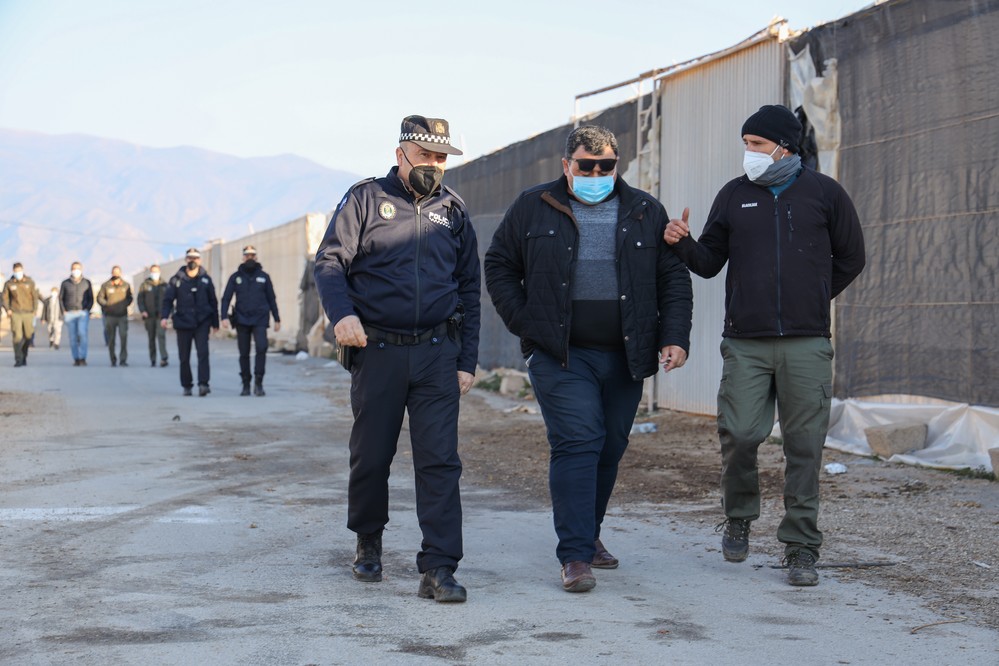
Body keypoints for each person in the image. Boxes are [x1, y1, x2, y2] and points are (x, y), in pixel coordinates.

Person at [485, 125, 693, 593]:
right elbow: (499, 264)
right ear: (567, 165)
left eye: (606, 167)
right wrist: (527, 322)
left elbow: (673, 279)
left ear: (617, 165)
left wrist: (674, 336)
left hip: (626, 352)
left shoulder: (645, 210)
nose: (596, 174)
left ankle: (589, 533)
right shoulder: (533, 205)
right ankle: (575, 555)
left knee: (609, 445)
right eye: (586, 166)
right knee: (578, 440)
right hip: (560, 352)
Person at [664, 104, 866, 586]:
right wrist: (682, 242)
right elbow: (709, 262)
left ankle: (801, 546)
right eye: (746, 144)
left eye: (755, 144)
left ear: (784, 146)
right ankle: (739, 515)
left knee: (804, 446)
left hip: (806, 343)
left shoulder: (825, 193)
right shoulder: (734, 195)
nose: (748, 152)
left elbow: (852, 257)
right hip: (746, 342)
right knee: (739, 433)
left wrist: (812, 297)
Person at [314, 115, 480, 603]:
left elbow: (470, 288)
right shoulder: (365, 199)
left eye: (441, 158)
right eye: (425, 155)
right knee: (371, 456)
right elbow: (329, 262)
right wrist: (342, 315)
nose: (434, 165)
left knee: (440, 461)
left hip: (437, 353)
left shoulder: (453, 211)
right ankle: (368, 540)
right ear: (401, 153)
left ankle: (439, 567)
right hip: (377, 350)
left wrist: (466, 359)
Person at [220, 245, 281, 396]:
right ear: (243, 257)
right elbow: (226, 297)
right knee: (244, 352)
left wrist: (277, 318)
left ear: (256, 257)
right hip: (242, 319)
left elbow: (271, 299)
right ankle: (246, 383)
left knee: (261, 348)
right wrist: (224, 316)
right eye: (247, 255)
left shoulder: (264, 277)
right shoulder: (235, 277)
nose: (250, 258)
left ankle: (258, 382)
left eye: (252, 255)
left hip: (260, 319)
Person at [161, 248, 219, 396]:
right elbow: (168, 300)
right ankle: (187, 385)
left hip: (202, 322)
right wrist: (164, 317)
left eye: (196, 258)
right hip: (183, 322)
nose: (193, 261)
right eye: (190, 258)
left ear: (200, 260)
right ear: (186, 260)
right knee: (184, 357)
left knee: (203, 354)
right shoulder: (176, 280)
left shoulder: (206, 279)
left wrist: (215, 323)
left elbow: (213, 301)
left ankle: (203, 384)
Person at [1, 263, 39, 367]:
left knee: (28, 336)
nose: (18, 273)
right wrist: (8, 309)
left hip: (28, 312)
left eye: (19, 270)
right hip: (15, 313)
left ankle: (24, 355)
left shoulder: (29, 282)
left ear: (22, 270)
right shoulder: (9, 283)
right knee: (17, 336)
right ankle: (18, 359)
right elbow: (4, 298)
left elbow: (35, 296)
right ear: (13, 271)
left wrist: (35, 309)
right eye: (16, 271)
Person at [96, 265, 134, 367]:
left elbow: (130, 297)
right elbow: (99, 298)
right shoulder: (106, 285)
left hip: (122, 316)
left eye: (118, 272)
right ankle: (113, 359)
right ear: (112, 273)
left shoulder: (126, 285)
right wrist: (106, 305)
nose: (116, 274)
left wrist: (125, 304)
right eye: (114, 272)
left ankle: (123, 359)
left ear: (120, 273)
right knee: (111, 339)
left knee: (123, 336)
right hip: (110, 316)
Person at [59, 262, 94, 366]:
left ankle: (83, 357)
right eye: (74, 269)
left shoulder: (86, 283)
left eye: (78, 269)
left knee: (82, 334)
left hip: (82, 313)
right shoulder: (65, 283)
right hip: (69, 314)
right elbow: (60, 298)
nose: (76, 271)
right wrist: (64, 310)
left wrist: (87, 309)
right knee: (73, 337)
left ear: (81, 269)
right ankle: (76, 358)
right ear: (71, 270)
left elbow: (91, 298)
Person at [137, 264, 169, 367]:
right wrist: (143, 311)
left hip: (161, 316)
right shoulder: (145, 285)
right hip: (149, 316)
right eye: (153, 271)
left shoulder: (164, 285)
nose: (155, 273)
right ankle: (153, 358)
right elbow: (140, 299)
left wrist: (168, 313)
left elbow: (169, 300)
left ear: (159, 272)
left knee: (161, 335)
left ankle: (164, 358)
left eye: (156, 271)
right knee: (151, 338)